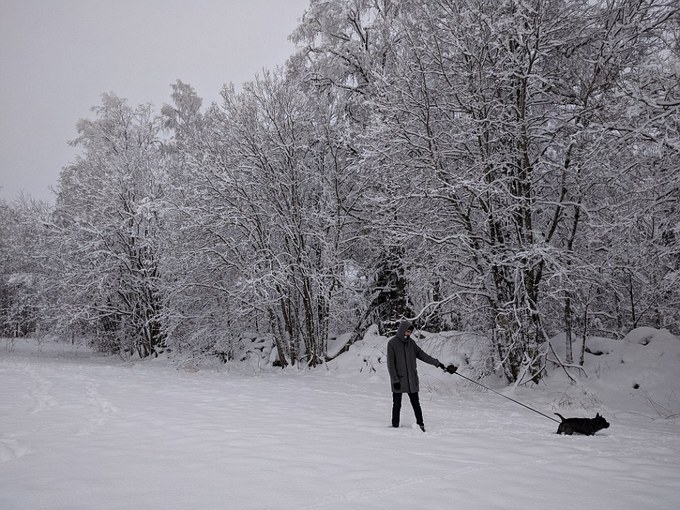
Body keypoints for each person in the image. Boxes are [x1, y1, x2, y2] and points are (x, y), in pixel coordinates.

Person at [386, 319, 457, 432]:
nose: (409, 334)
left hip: (411, 379)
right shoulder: (392, 343)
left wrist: (437, 363)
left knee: (416, 403)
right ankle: (395, 426)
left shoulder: (411, 344)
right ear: (402, 330)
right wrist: (395, 379)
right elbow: (390, 364)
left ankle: (421, 424)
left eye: (410, 332)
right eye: (407, 332)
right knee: (397, 404)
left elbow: (423, 355)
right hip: (398, 380)